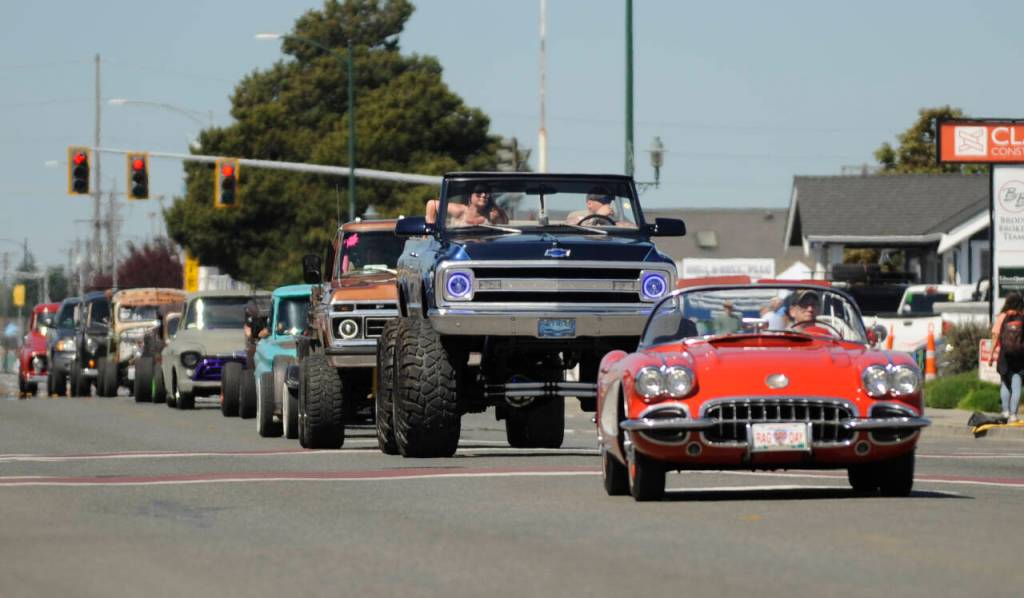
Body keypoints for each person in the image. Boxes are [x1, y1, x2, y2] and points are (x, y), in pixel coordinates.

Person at [989, 291, 1024, 423]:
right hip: (1020, 358)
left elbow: (995, 337)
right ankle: (1013, 415)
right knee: (1016, 385)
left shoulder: (1002, 317)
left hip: (1004, 357)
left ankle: (1005, 412)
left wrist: (991, 355)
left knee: (1004, 384)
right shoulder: (1023, 317)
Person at [425, 184, 508, 226]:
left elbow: (505, 222)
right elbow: (432, 204)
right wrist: (430, 229)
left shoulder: (491, 215)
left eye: (486, 193)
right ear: (470, 195)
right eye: (479, 192)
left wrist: (493, 203)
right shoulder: (460, 211)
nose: (483, 195)